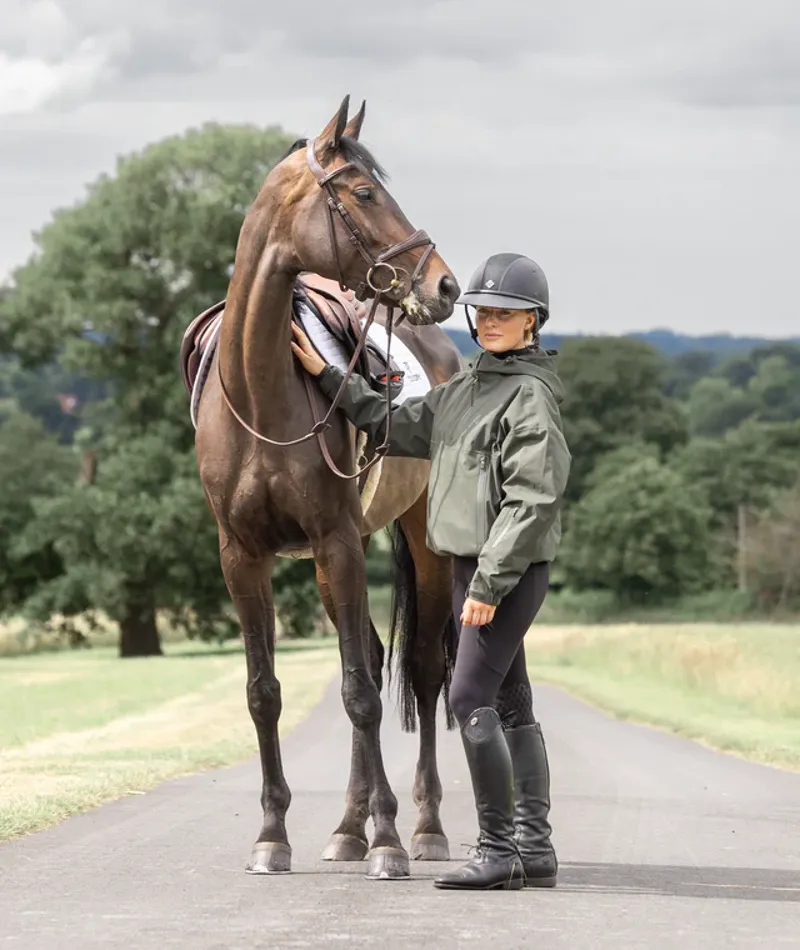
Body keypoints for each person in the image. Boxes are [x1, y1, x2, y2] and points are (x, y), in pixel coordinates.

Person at [291, 252, 571, 891]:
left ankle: (498, 853)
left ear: (533, 323)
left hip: (503, 570)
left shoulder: (529, 397)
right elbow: (394, 423)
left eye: (508, 313)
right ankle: (536, 849)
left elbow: (533, 501)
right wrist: (329, 374)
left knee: (469, 695)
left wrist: (488, 584)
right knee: (511, 698)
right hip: (471, 563)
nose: (492, 321)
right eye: (484, 311)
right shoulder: (468, 389)